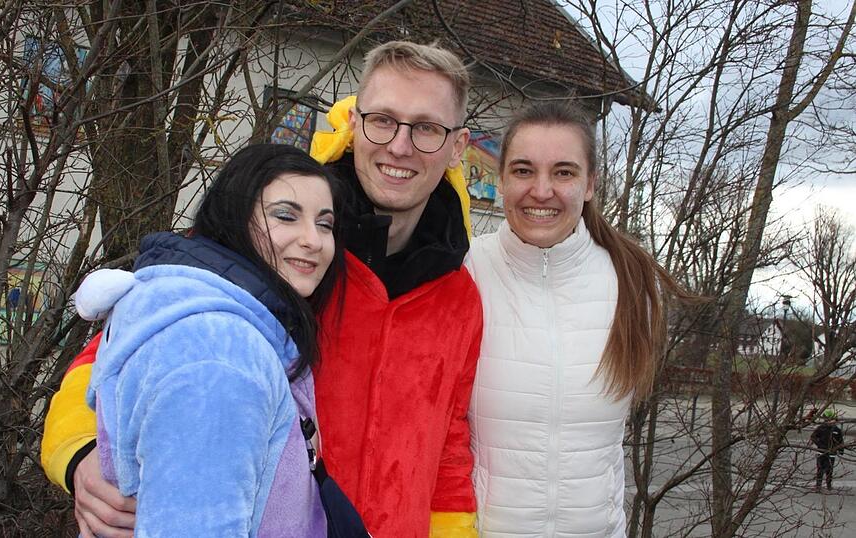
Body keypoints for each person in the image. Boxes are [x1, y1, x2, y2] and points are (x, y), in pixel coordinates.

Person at [41, 41, 483, 537]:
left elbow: (447, 447)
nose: (400, 145)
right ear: (355, 124)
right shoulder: (274, 247)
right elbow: (115, 358)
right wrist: (81, 454)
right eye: (383, 119)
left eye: (426, 128)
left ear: (457, 145)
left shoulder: (460, 296)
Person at [68, 143, 345, 535]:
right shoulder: (219, 358)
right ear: (234, 219)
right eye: (286, 215)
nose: (313, 240)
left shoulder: (224, 321)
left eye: (325, 224)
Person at [465, 102, 686, 536]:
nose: (542, 191)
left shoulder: (632, 282)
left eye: (563, 172)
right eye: (524, 170)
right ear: (501, 178)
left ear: (589, 184)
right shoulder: (465, 272)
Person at [810, 409, 844, 491]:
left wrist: (841, 450)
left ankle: (829, 485)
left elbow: (840, 441)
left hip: (831, 452)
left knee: (829, 469)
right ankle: (818, 485)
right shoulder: (821, 428)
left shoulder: (837, 430)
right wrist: (819, 444)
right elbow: (813, 437)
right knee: (820, 469)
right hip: (821, 452)